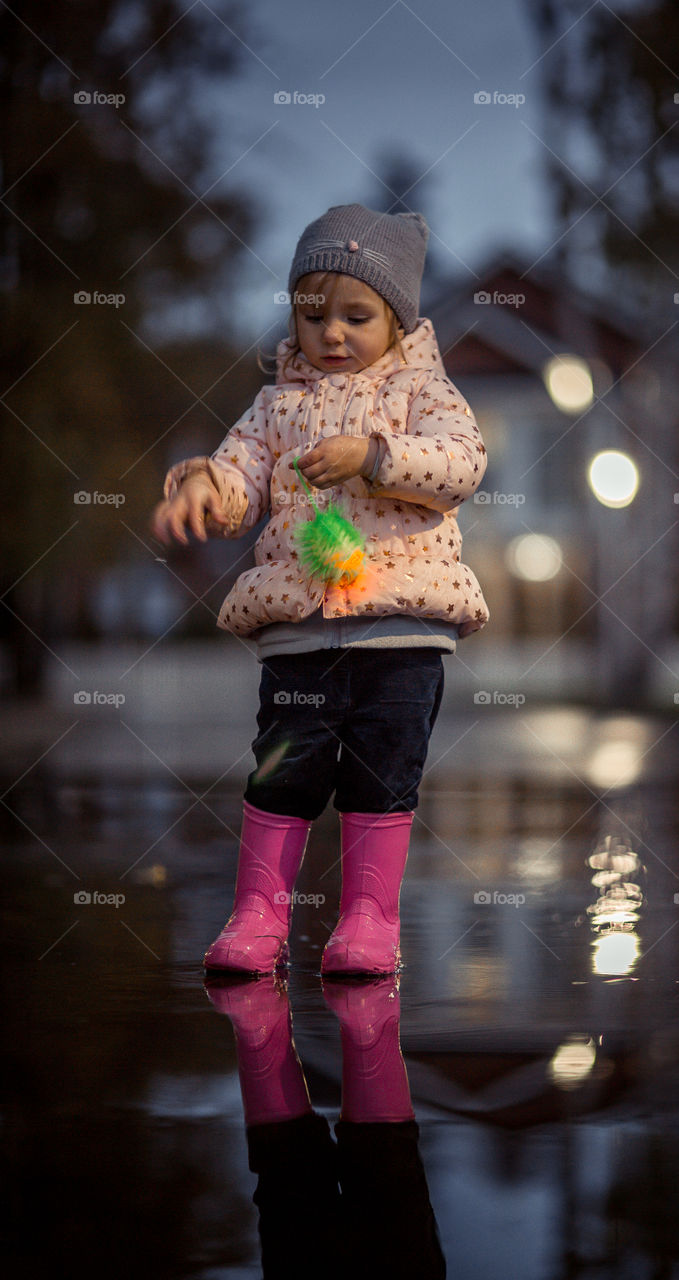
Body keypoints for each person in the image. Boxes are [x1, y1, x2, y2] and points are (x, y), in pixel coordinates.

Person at [150, 203, 488, 977]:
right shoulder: (274, 407)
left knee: (382, 771)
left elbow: (461, 463)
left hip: (400, 629)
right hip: (299, 631)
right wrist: (206, 484)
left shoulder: (421, 393)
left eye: (356, 315)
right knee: (285, 765)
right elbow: (241, 481)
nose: (331, 333)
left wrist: (374, 454)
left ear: (397, 323)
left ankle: (368, 922)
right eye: (313, 315)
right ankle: (256, 917)